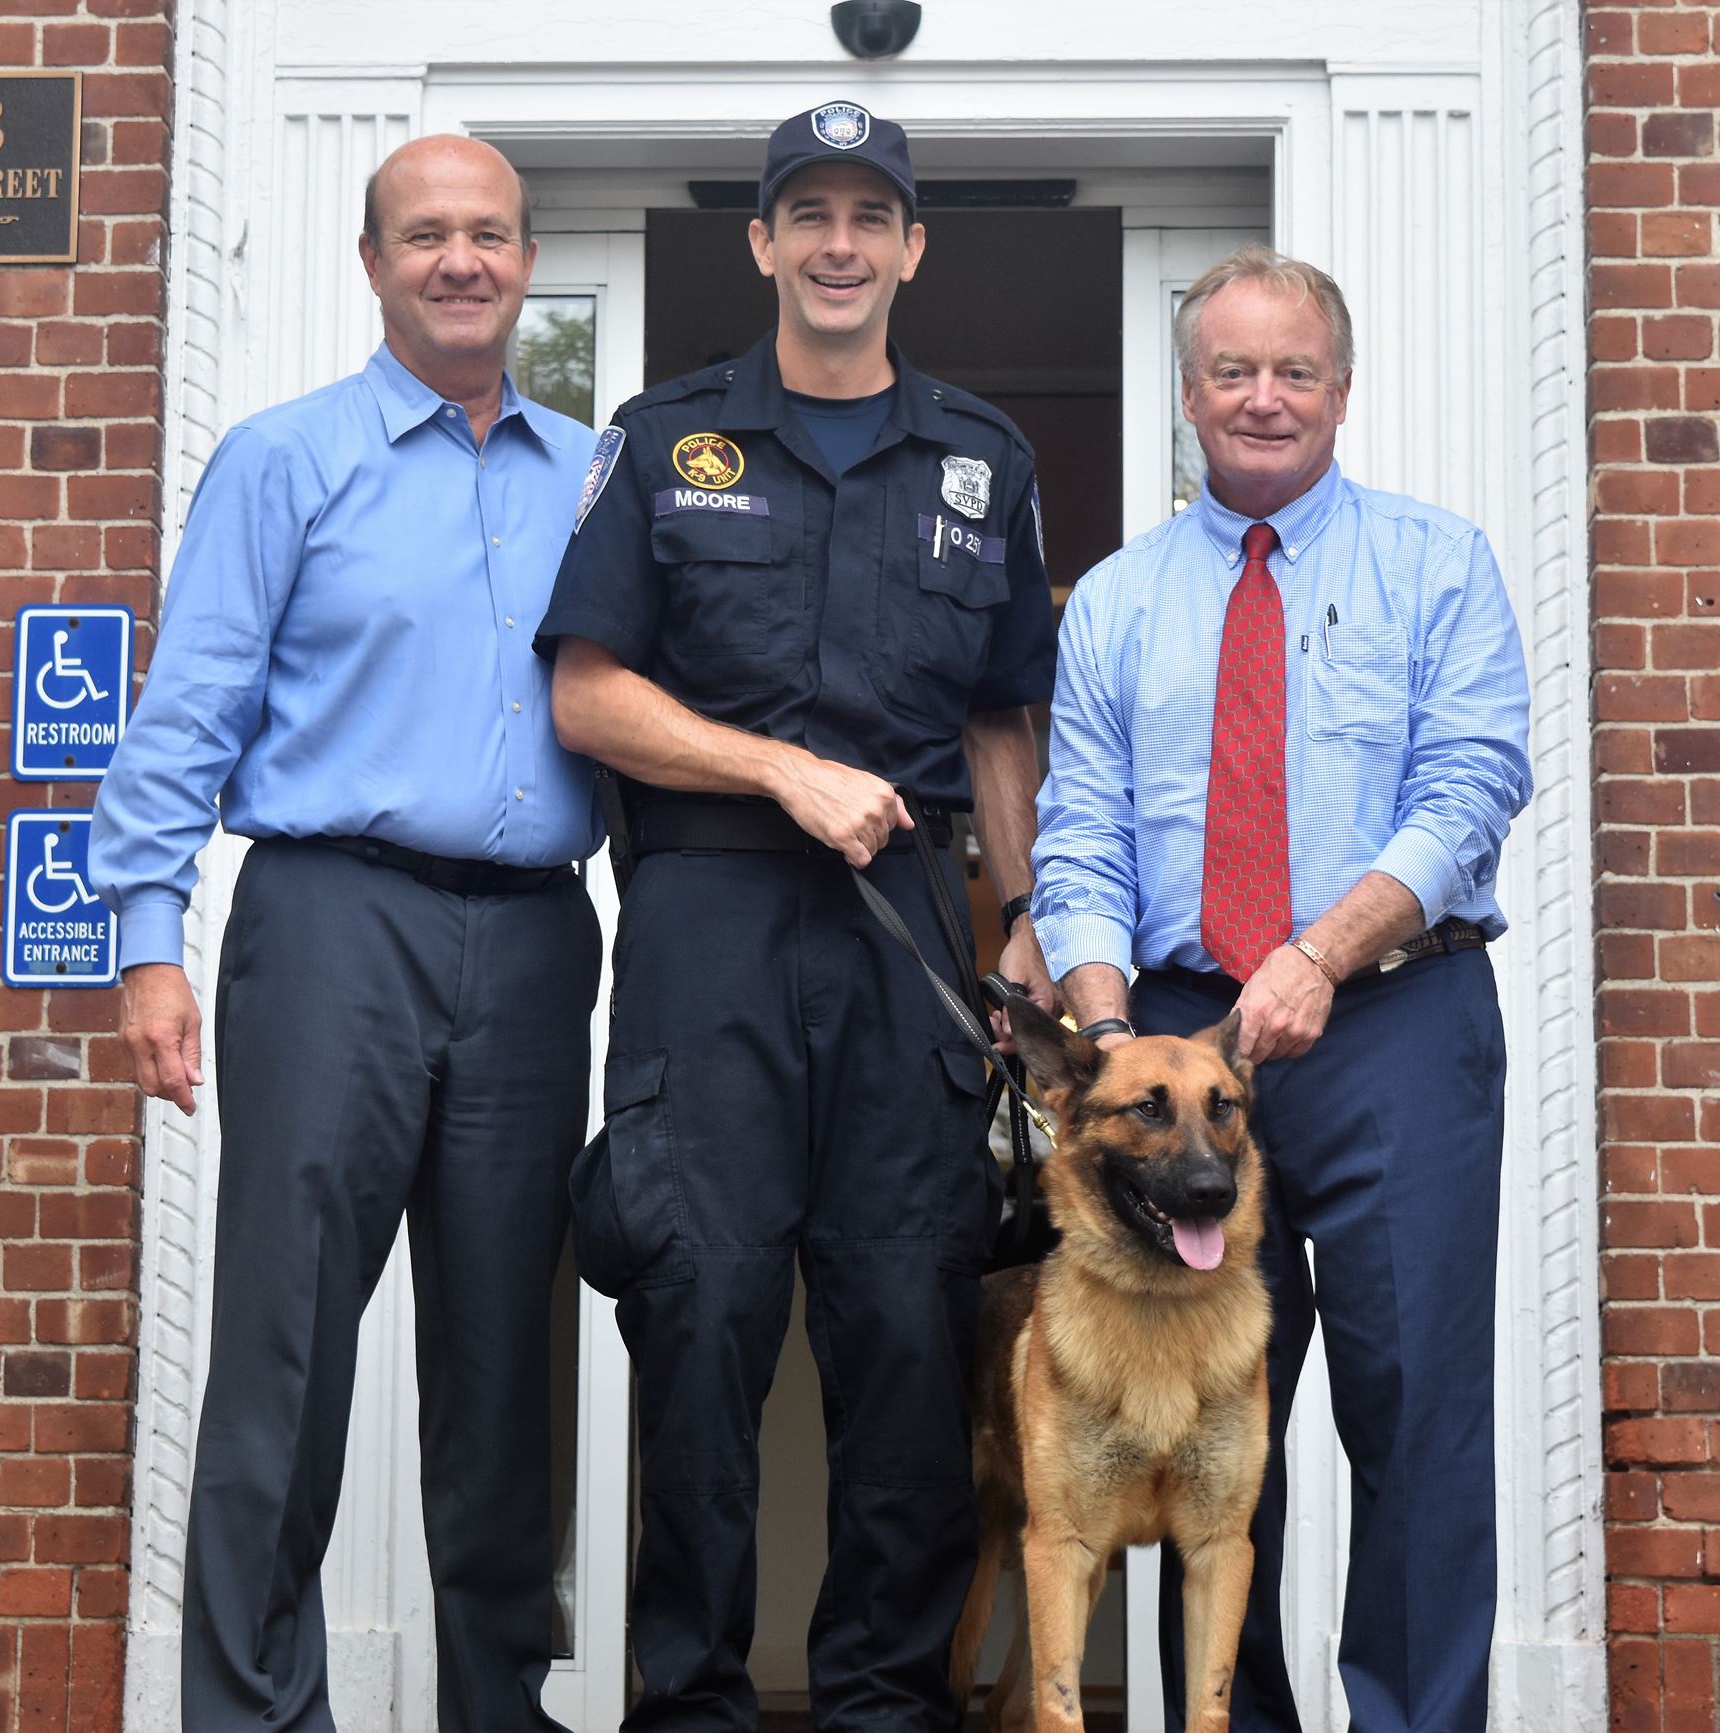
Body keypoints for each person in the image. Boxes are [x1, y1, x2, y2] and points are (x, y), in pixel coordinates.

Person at [536, 102, 1056, 1733]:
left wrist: (1028, 920)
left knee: (907, 1324)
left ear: (913, 248)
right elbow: (586, 694)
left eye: (870, 216)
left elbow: (1000, 721)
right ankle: (689, 1700)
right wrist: (780, 770)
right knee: (699, 1314)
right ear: (761, 242)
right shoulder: (663, 438)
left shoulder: (984, 458)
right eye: (809, 214)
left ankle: (885, 1706)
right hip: (709, 926)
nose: (841, 244)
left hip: (909, 934)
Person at [88, 135, 601, 1733]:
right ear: (372, 264)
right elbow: (188, 708)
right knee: (285, 1346)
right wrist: (149, 937)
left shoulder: (595, 477)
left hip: (536, 943)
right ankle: (252, 1712)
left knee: (506, 1364)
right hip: (331, 925)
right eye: (426, 234)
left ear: (529, 265)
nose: (462, 259)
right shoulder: (283, 460)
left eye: (490, 234)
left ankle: (498, 1709)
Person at [1031, 244, 1533, 1733]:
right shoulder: (1116, 600)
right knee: (1187, 1415)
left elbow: (1472, 783)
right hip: (1182, 1040)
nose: (1265, 397)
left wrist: (1321, 953)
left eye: (1294, 371)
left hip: (1394, 1020)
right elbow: (1080, 833)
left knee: (1415, 1405)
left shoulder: (1437, 563)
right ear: (1188, 394)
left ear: (1343, 389)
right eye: (1233, 371)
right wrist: (1110, 1034)